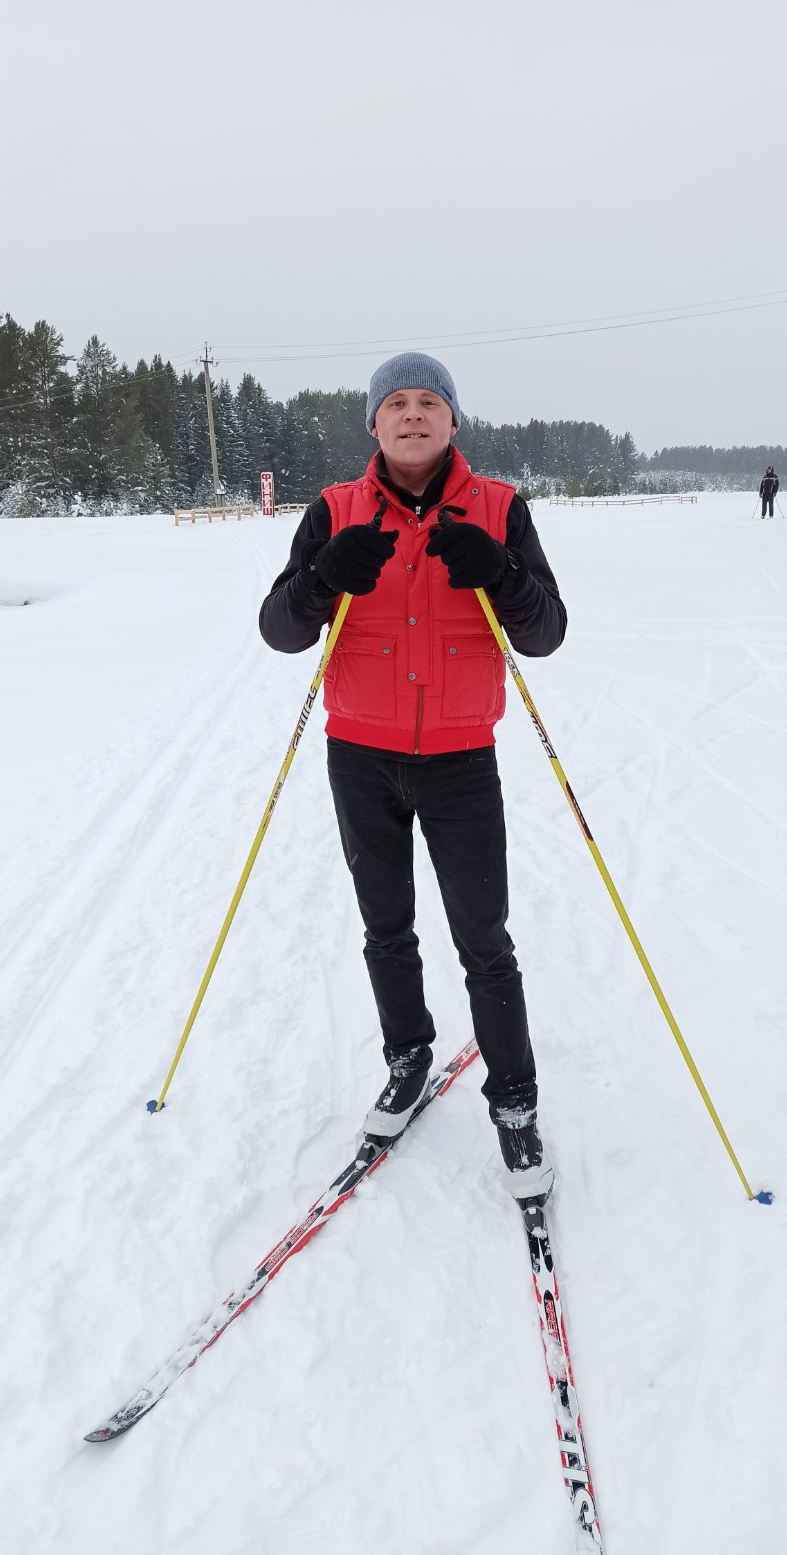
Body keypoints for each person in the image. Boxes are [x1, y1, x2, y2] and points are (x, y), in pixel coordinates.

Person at [258, 353, 566, 1201]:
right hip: (360, 754)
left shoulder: (501, 508)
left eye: (430, 400)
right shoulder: (334, 509)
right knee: (384, 927)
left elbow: (545, 634)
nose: (413, 414)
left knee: (484, 941)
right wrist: (323, 577)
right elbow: (279, 629)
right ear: (373, 423)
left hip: (462, 760)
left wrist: (500, 573)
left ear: (454, 419)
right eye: (396, 402)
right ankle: (408, 1056)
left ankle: (514, 1100)